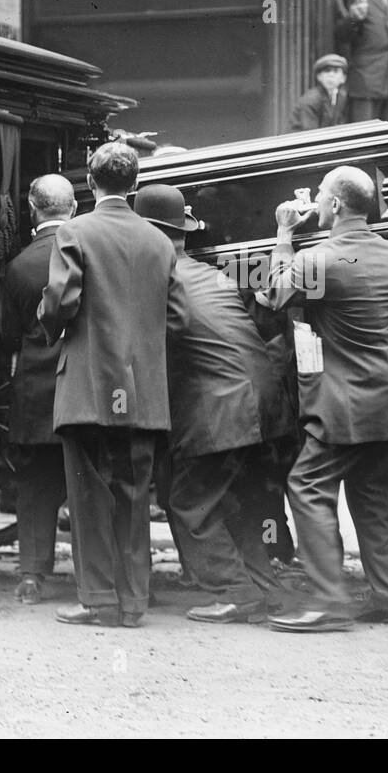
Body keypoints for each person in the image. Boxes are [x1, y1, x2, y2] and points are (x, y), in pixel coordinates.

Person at [264, 166, 388, 632]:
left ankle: (329, 600)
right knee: (373, 490)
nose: (314, 200)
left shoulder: (322, 256)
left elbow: (276, 294)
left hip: (350, 398)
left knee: (307, 486)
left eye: (320, 195)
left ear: (334, 205)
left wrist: (282, 234)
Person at [38, 141, 188, 629]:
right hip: (144, 391)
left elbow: (60, 302)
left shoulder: (74, 231)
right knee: (133, 495)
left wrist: (47, 323)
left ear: (91, 183)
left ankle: (97, 599)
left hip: (88, 385)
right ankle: (133, 601)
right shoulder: (161, 242)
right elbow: (173, 313)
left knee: (87, 496)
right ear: (136, 184)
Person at [132, 184, 284, 624]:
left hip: (223, 408)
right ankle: (263, 587)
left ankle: (234, 592)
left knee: (188, 501)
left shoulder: (160, 279)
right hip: (264, 402)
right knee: (233, 500)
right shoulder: (208, 271)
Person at [0, 174, 75, 605]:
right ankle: (97, 575)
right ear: (74, 209)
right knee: (87, 478)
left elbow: (10, 333)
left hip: (34, 390)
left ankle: (32, 576)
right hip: (80, 386)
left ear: (32, 209)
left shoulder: (19, 266)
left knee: (35, 485)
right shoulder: (87, 253)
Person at [290, 54, 349, 131]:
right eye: (327, 71)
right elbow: (310, 132)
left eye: (335, 71)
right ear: (319, 77)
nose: (331, 75)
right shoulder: (311, 100)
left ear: (343, 78)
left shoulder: (341, 97)